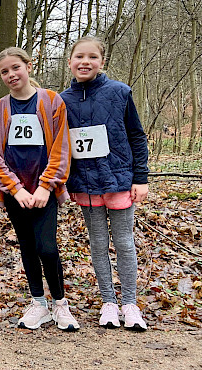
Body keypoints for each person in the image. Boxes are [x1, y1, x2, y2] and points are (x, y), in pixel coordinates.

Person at [0, 47, 79, 331]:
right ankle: (39, 303)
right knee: (26, 246)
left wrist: (45, 187)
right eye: (5, 71)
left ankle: (60, 304)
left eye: (16, 68)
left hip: (44, 192)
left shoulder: (52, 102)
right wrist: (15, 189)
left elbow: (61, 148)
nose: (11, 75)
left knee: (47, 247)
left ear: (28, 66)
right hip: (17, 194)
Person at [61, 37, 149, 330]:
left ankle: (131, 304)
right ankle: (109, 302)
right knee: (98, 243)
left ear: (102, 62)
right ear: (70, 61)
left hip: (119, 179)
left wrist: (141, 178)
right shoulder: (62, 100)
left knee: (124, 242)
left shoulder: (120, 92)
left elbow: (136, 135)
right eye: (79, 57)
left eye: (92, 57)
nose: (85, 62)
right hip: (85, 183)